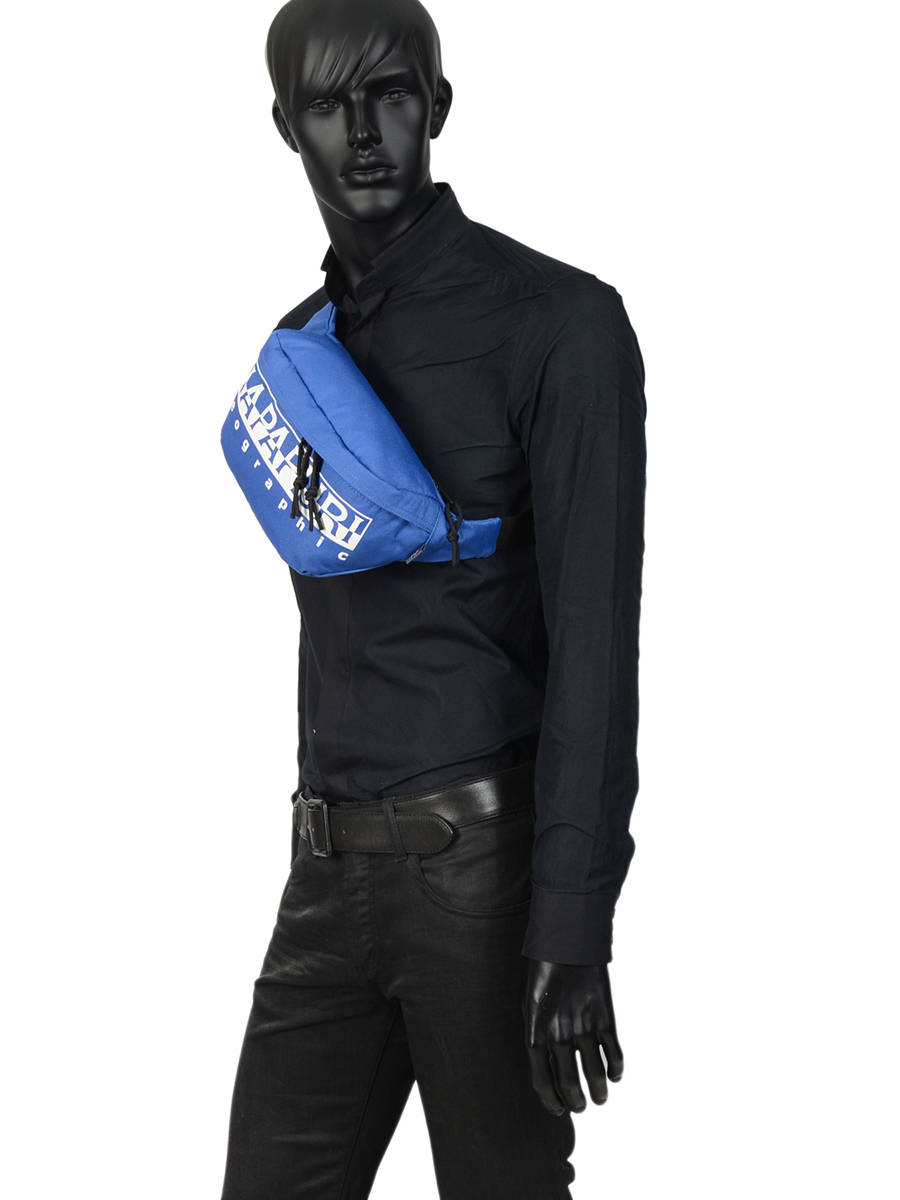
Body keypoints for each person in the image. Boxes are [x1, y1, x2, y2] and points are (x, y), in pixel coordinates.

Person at [219, 1, 647, 1196]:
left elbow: (597, 652)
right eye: (326, 104)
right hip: (322, 875)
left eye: (392, 95)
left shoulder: (559, 325)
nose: (362, 132)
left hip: (481, 884)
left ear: (440, 107)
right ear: (284, 127)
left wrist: (572, 926)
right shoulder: (302, 353)